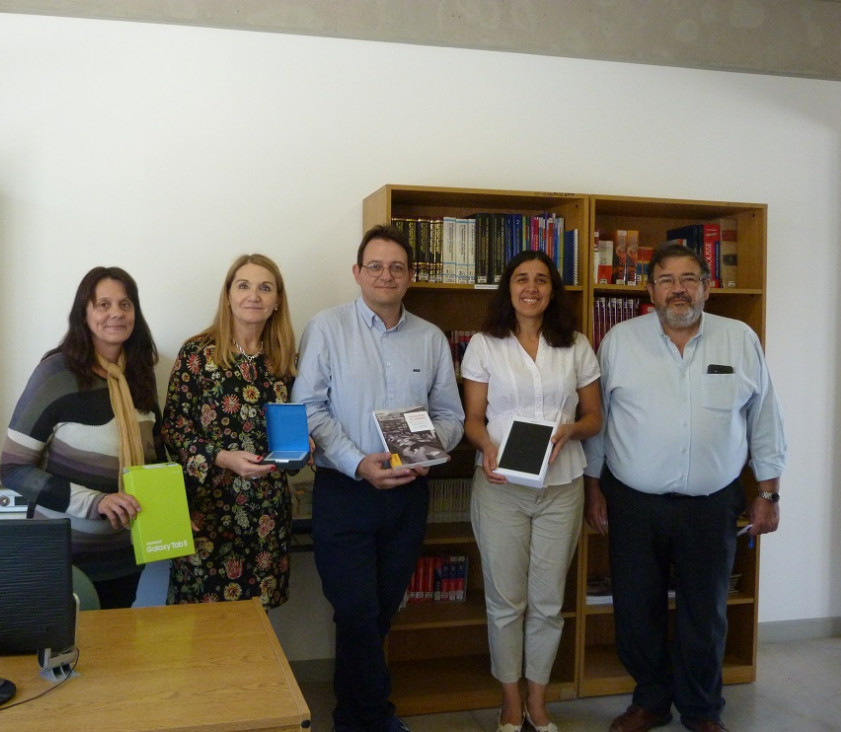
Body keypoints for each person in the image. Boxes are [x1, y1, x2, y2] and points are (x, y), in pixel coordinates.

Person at [583, 244, 786, 732]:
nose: (679, 288)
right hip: (633, 502)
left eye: (689, 278)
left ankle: (701, 709)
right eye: (667, 279)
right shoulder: (619, 340)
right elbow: (600, 422)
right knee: (636, 609)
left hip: (711, 505)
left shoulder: (739, 339)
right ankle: (650, 701)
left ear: (707, 287)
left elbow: (765, 421)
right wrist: (593, 488)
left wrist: (769, 492)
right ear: (650, 289)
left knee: (706, 613)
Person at [291, 224, 465, 732]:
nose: (385, 275)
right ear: (357, 273)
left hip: (408, 492)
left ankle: (353, 712)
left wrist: (424, 449)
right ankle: (371, 717)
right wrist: (357, 462)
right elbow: (309, 409)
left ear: (410, 276)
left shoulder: (430, 338)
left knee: (382, 608)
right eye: (375, 266)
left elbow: (452, 416)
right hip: (345, 490)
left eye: (396, 267)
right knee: (355, 608)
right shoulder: (326, 327)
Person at [460, 251, 601, 732]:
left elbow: (594, 417)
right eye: (522, 278)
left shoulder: (576, 344)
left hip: (562, 488)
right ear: (509, 287)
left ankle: (538, 702)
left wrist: (570, 429)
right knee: (506, 601)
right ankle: (510, 700)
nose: (532, 287)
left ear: (553, 290)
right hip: (501, 487)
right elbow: (473, 420)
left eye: (542, 279)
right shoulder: (484, 344)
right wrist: (486, 447)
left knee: (546, 601)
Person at [0, 266, 162, 609]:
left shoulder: (139, 376)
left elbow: (153, 459)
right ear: (84, 314)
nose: (116, 312)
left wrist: (172, 509)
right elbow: (13, 469)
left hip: (126, 557)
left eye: (125, 303)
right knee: (64, 659)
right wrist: (96, 501)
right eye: (103, 304)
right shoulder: (55, 375)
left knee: (115, 656)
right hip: (64, 561)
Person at [162, 253, 297, 609]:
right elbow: (173, 432)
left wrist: (303, 446)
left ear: (277, 301)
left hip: (267, 515)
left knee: (257, 632)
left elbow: (295, 433)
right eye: (244, 285)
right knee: (200, 635)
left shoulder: (285, 361)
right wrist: (222, 458)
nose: (254, 295)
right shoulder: (196, 354)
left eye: (265, 288)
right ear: (227, 296)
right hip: (208, 514)